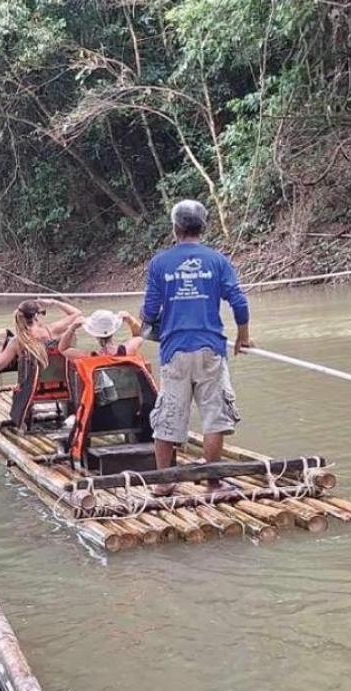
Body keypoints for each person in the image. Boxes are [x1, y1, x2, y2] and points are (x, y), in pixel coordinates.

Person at [140, 199, 250, 494]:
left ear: (175, 228)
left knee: (168, 416)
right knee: (214, 418)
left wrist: (158, 324)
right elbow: (239, 301)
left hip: (174, 352)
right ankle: (213, 482)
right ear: (203, 227)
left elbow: (148, 312)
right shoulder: (217, 261)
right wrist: (243, 336)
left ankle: (164, 484)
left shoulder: (160, 263)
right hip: (211, 349)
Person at [0, 298, 83, 373]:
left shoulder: (17, 341)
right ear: (36, 316)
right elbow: (77, 313)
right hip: (61, 381)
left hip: (31, 387)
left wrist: (0, 342)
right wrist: (54, 302)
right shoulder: (52, 330)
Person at [57, 308, 145, 357]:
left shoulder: (88, 357)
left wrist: (72, 328)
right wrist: (130, 320)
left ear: (95, 335)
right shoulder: (128, 350)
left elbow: (63, 349)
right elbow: (141, 335)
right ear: (113, 331)